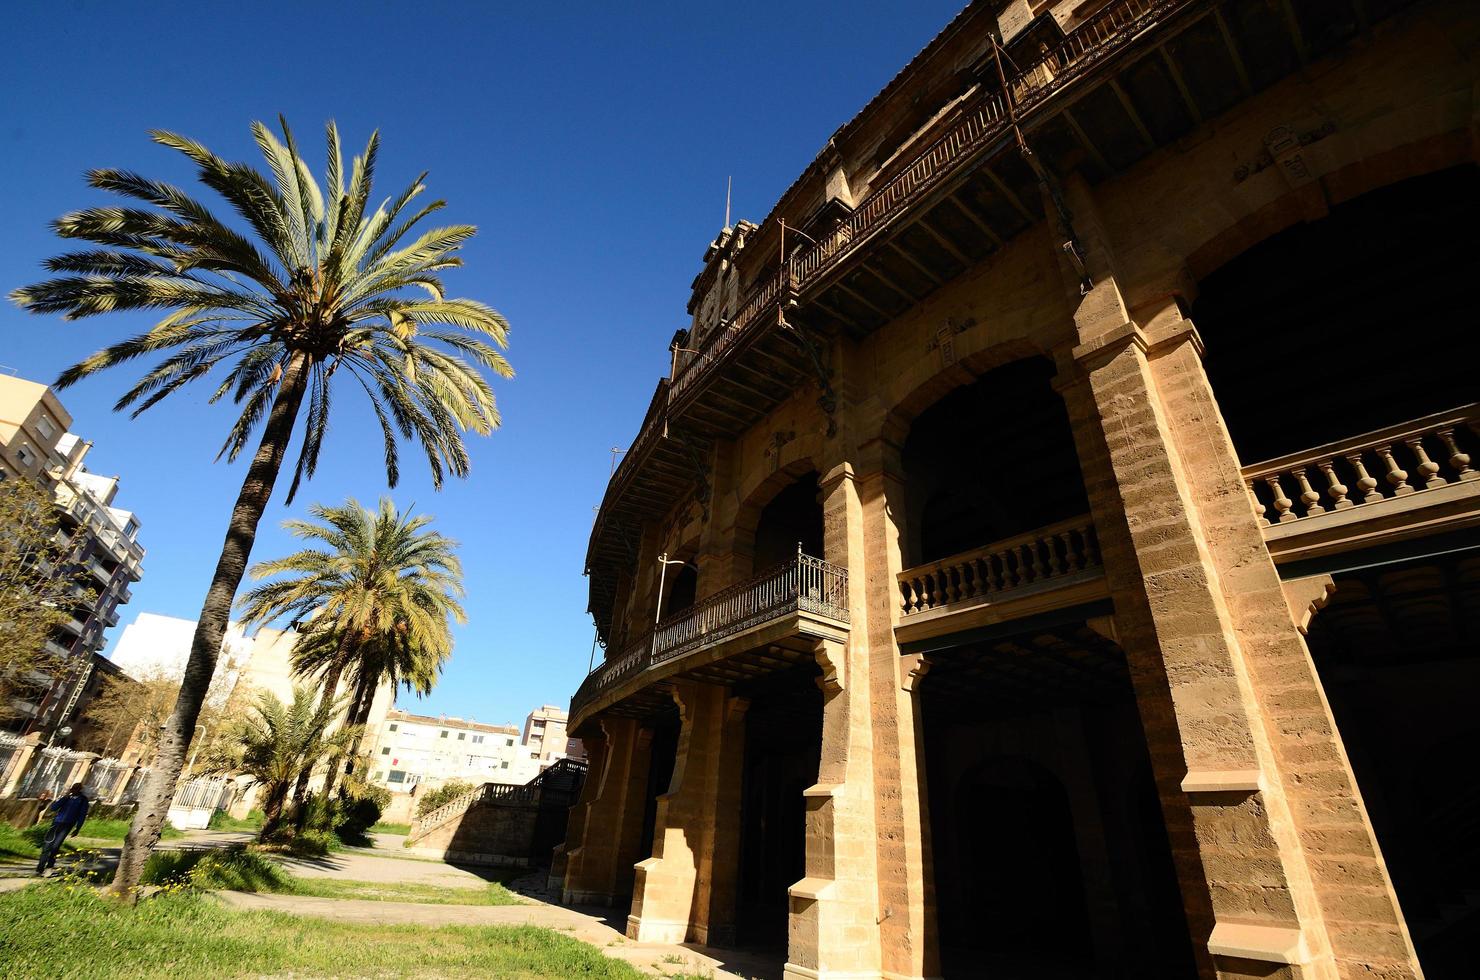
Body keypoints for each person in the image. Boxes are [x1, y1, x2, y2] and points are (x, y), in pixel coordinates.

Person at [35, 783, 90, 876]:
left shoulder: (83, 800)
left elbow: (82, 815)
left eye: (76, 789)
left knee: (55, 847)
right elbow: (53, 808)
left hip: (67, 825)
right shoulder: (67, 798)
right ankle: (40, 867)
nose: (73, 790)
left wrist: (77, 828)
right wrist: (64, 798)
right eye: (72, 788)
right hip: (56, 823)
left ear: (80, 790)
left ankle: (49, 867)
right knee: (47, 845)